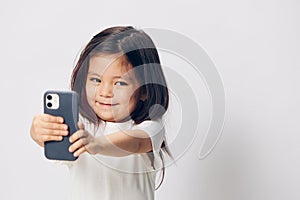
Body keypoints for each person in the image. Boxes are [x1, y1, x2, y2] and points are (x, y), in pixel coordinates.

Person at [30, 26, 172, 200]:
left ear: (144, 90)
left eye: (120, 83)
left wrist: (97, 144)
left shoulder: (150, 128)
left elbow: (135, 143)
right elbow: (49, 141)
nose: (105, 92)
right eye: (96, 80)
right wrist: (38, 132)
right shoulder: (81, 128)